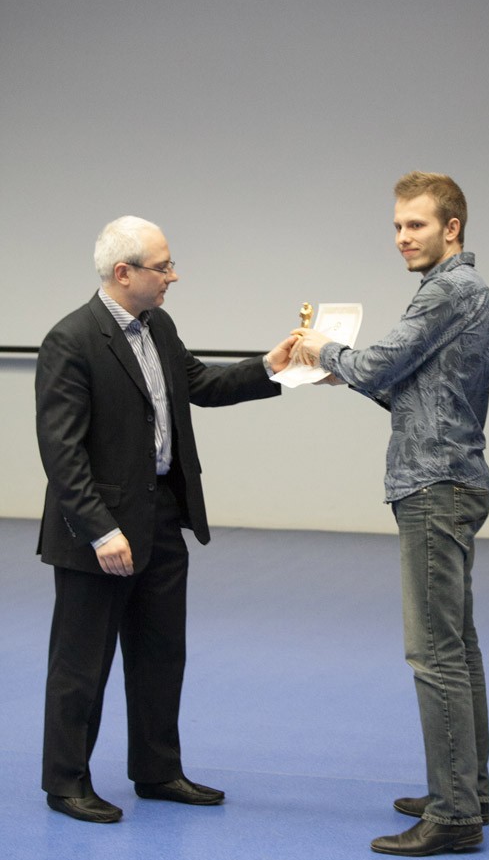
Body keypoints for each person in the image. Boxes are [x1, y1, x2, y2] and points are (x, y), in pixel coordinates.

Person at [35, 215, 294, 824]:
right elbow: (62, 451)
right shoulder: (71, 340)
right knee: (81, 663)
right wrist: (101, 530)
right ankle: (66, 782)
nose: (173, 275)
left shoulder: (158, 326)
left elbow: (199, 382)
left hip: (161, 518)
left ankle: (157, 771)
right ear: (124, 273)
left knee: (160, 654)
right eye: (163, 266)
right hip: (97, 532)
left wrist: (271, 365)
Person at [293, 171, 489, 857]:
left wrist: (322, 349)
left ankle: (454, 814)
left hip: (435, 486)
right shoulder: (457, 290)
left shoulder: (448, 290)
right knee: (457, 646)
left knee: (433, 652)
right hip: (448, 479)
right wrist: (344, 372)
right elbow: (411, 391)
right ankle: (467, 790)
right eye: (397, 226)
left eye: (415, 225)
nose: (402, 237)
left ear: (451, 228)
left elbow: (381, 361)